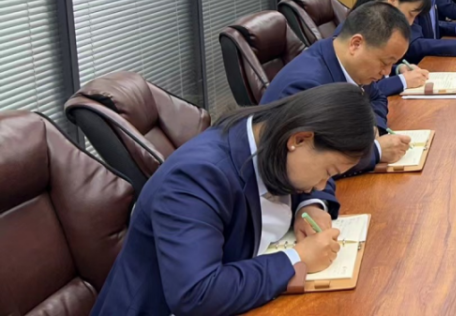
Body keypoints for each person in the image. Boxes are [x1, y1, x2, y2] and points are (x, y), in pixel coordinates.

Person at [91, 84, 376, 316]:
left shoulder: (266, 133)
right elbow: (197, 293)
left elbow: (305, 172)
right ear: (299, 140)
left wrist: (308, 204)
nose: (322, 185)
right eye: (328, 172)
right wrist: (297, 258)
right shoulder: (198, 176)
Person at [262, 2, 414, 172]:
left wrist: (373, 128)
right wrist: (376, 151)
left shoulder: (351, 65)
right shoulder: (307, 86)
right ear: (356, 44)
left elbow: (376, 96)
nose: (387, 72)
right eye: (385, 62)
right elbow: (304, 162)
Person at [351, 0, 433, 97]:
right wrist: (403, 81)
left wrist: (398, 69)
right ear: (393, 0)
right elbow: (361, 89)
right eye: (411, 14)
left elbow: (374, 69)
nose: (410, 23)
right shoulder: (365, 27)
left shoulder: (379, 21)